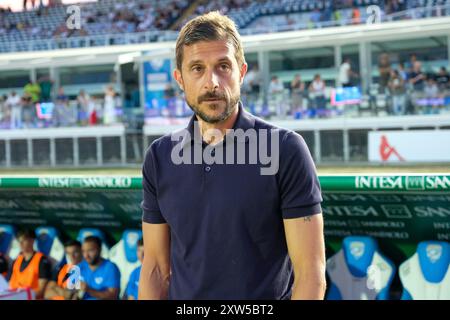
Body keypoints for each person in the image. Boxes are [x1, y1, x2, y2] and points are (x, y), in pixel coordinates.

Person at [139, 11, 325, 300]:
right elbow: (154, 270)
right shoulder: (159, 157)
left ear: (241, 71)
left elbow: (311, 275)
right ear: (180, 78)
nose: (211, 82)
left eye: (223, 66)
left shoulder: (285, 149)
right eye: (197, 68)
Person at [8, 229, 52, 299]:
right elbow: (9, 284)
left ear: (32, 241)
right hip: (13, 296)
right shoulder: (16, 260)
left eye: (24, 240)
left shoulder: (42, 260)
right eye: (19, 241)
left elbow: (40, 291)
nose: (20, 244)